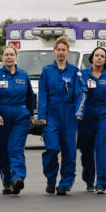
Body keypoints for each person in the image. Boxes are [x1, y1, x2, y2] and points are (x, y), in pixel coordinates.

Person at [0, 45, 36, 195]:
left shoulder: (23, 75)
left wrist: (30, 115)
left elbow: (30, 96)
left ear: (16, 57)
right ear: (2, 57)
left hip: (20, 116)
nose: (9, 57)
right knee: (2, 151)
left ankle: (18, 178)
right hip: (1, 117)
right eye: (6, 54)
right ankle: (7, 181)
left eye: (12, 54)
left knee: (15, 148)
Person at [38, 36, 81, 195]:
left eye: (64, 50)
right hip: (51, 114)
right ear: (54, 51)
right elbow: (42, 94)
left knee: (69, 151)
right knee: (52, 147)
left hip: (69, 115)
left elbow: (79, 94)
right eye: (58, 50)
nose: (61, 53)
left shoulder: (74, 71)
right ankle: (50, 178)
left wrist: (79, 111)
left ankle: (65, 183)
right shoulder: (47, 71)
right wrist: (42, 114)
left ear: (68, 52)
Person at [76, 46, 106, 193]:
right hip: (86, 115)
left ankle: (102, 183)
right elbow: (78, 95)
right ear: (92, 58)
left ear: (105, 60)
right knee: (86, 151)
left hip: (104, 114)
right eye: (97, 55)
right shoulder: (82, 74)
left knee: (102, 149)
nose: (99, 57)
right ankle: (89, 180)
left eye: (102, 56)